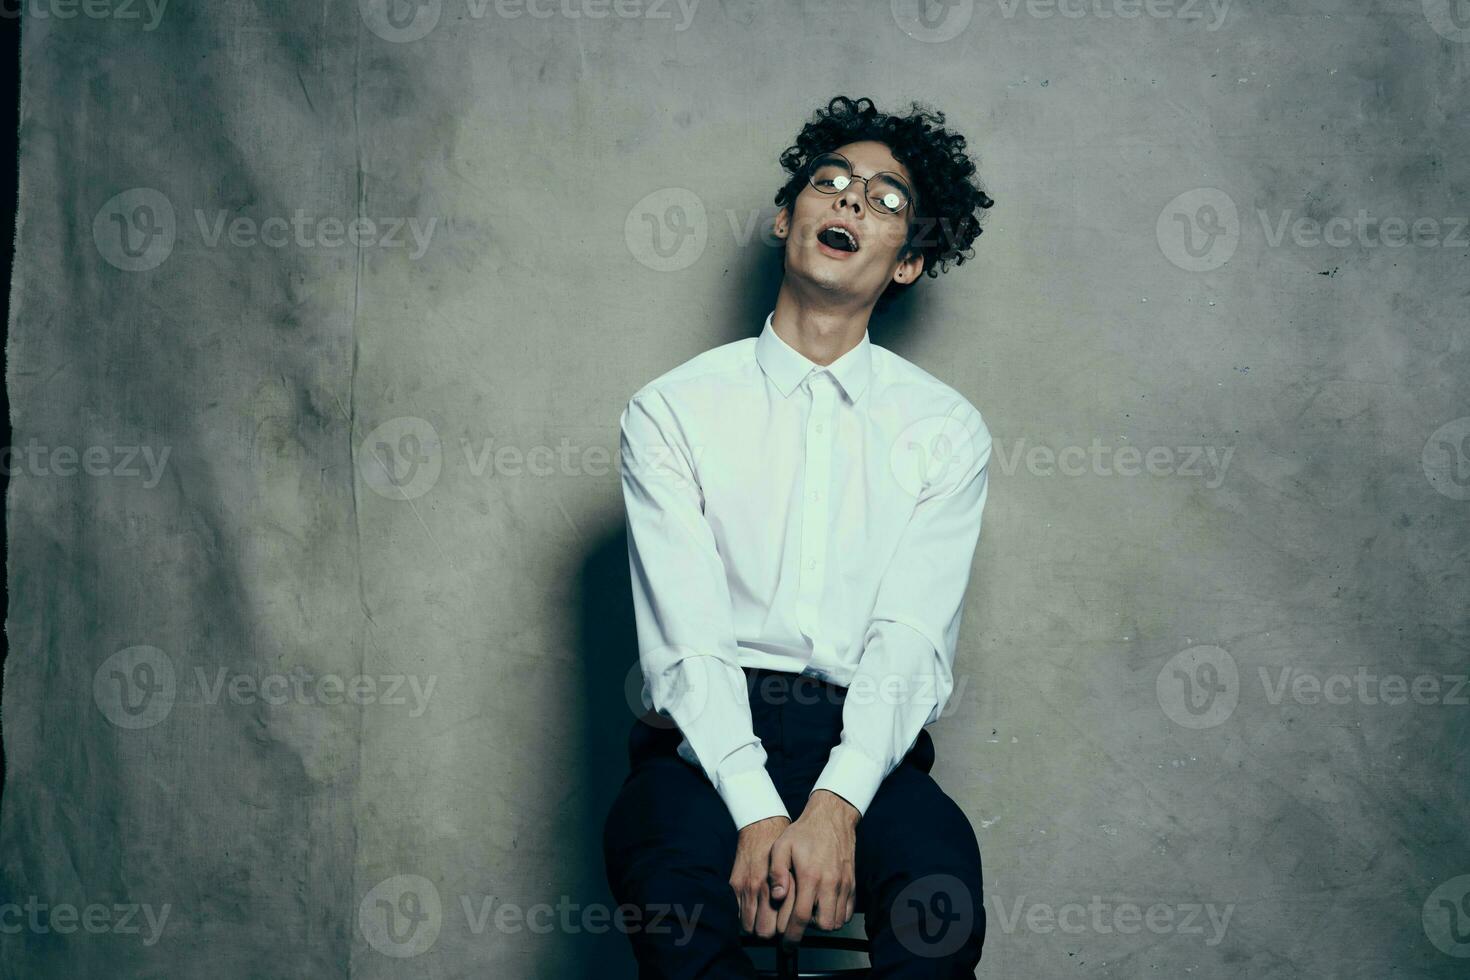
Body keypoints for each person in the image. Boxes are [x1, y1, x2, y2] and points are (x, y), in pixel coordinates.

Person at [604, 95, 997, 978]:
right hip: (699, 743)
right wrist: (755, 809)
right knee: (673, 908)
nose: (852, 201)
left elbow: (909, 641)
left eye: (887, 199)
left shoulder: (945, 429)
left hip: (867, 741)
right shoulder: (672, 411)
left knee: (943, 902)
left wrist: (836, 804)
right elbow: (688, 644)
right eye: (831, 182)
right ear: (789, 216)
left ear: (911, 263)